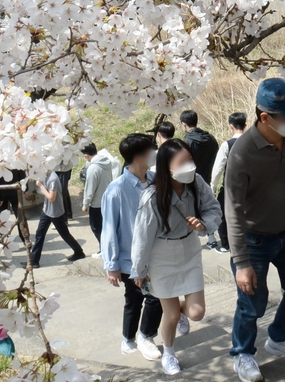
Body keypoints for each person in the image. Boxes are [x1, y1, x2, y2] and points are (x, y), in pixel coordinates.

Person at [225, 78, 285, 382]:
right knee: (253, 302)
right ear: (265, 118)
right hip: (253, 240)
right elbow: (233, 211)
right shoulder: (242, 153)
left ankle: (280, 338)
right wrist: (241, 263)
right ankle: (242, 353)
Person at [131, 139, 222, 376]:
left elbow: (214, 208)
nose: (189, 166)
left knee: (197, 312)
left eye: (190, 160)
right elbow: (142, 236)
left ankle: (184, 314)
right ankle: (169, 354)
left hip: (190, 251)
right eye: (182, 163)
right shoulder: (152, 196)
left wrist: (204, 225)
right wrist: (139, 270)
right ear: (166, 167)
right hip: (162, 256)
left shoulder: (197, 182)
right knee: (170, 315)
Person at [101, 134, 164, 361]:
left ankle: (145, 335)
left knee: (156, 298)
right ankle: (130, 337)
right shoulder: (116, 190)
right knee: (135, 299)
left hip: (157, 254)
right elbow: (109, 229)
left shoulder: (157, 179)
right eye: (151, 150)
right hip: (131, 259)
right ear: (139, 156)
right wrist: (112, 265)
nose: (155, 153)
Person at [207, 112, 247, 253]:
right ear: (245, 125)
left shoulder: (227, 145)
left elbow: (217, 169)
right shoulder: (253, 142)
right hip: (251, 186)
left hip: (230, 187)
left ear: (231, 127)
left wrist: (212, 186)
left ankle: (225, 244)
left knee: (223, 214)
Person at [30, 170, 86, 268]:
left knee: (65, 234)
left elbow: (52, 198)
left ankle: (79, 252)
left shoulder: (53, 179)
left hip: (56, 213)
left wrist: (41, 186)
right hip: (47, 210)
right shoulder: (46, 175)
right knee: (40, 234)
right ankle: (34, 261)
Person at [81, 143, 114, 258]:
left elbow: (89, 189)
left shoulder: (93, 169)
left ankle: (104, 250)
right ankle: (106, 248)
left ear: (86, 156)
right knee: (106, 227)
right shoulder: (107, 162)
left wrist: (85, 204)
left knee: (96, 227)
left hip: (97, 204)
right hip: (108, 200)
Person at [180, 110, 219, 184]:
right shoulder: (211, 138)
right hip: (207, 182)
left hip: (192, 183)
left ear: (184, 125)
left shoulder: (187, 142)